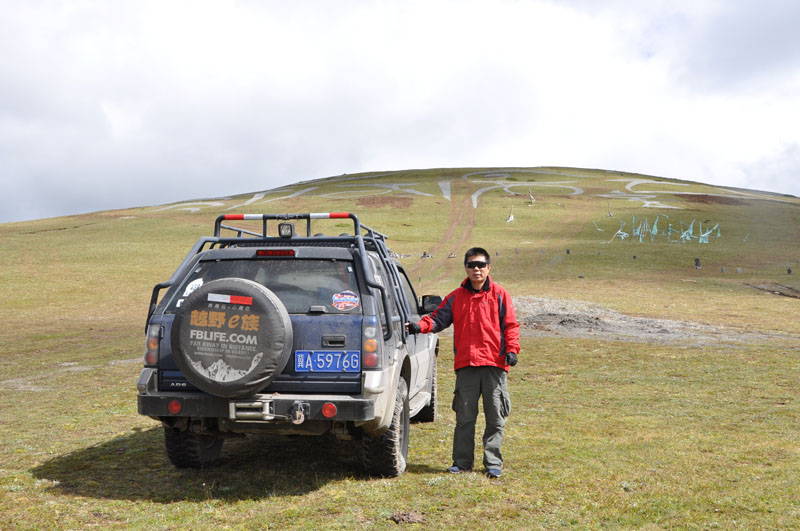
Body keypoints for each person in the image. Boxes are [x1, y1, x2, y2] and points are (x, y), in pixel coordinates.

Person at [406, 247, 520, 478]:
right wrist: (419, 326)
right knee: (464, 418)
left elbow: (510, 326)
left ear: (489, 267)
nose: (476, 269)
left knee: (495, 417)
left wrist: (512, 350)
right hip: (467, 366)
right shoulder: (456, 297)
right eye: (471, 265)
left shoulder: (500, 294)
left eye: (480, 265)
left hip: (494, 365)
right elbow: (437, 320)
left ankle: (493, 463)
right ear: (466, 268)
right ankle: (462, 462)